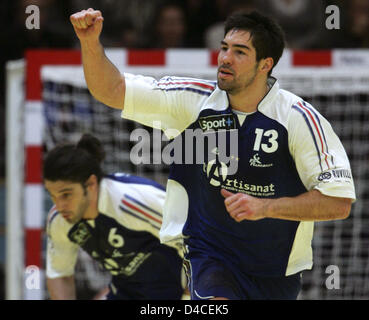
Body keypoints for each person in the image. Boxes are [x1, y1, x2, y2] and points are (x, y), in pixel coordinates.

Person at [69, 9, 356, 300]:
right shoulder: (193, 100)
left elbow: (339, 202)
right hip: (209, 256)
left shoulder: (298, 119)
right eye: (224, 48)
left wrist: (266, 207)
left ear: (264, 65)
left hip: (276, 270)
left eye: (240, 52)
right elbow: (113, 90)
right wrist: (90, 43)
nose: (225, 58)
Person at [44, 133, 184, 300]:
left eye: (66, 195)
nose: (59, 206)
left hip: (182, 290)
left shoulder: (132, 201)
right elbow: (60, 274)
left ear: (91, 184)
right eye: (53, 196)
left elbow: (199, 243)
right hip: (126, 292)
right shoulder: (60, 220)